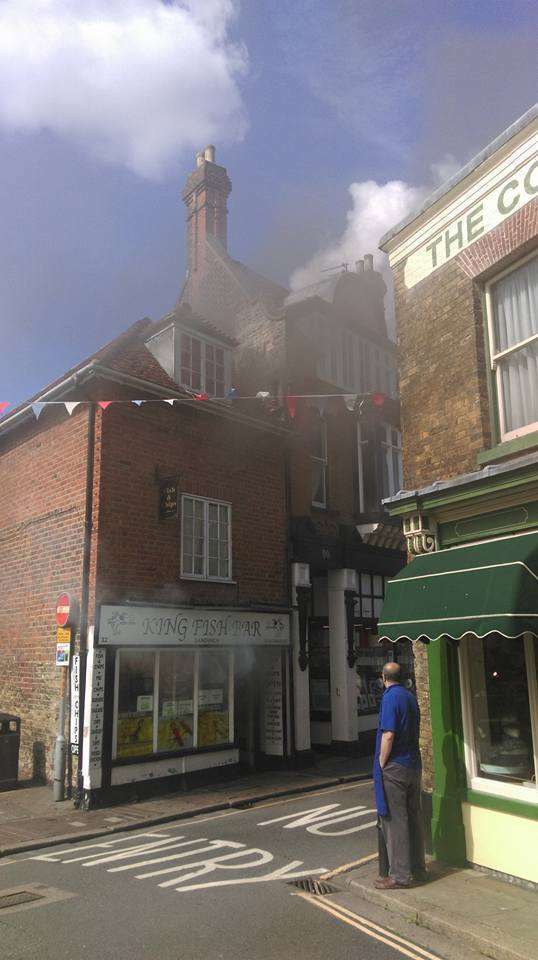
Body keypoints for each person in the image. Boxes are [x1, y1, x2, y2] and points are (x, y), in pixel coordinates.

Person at [373, 660, 426, 889]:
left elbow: (388, 735)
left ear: (383, 678)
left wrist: (381, 762)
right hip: (414, 765)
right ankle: (418, 868)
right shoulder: (410, 696)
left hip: (396, 766)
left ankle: (399, 876)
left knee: (395, 822)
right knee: (413, 818)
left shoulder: (390, 698)